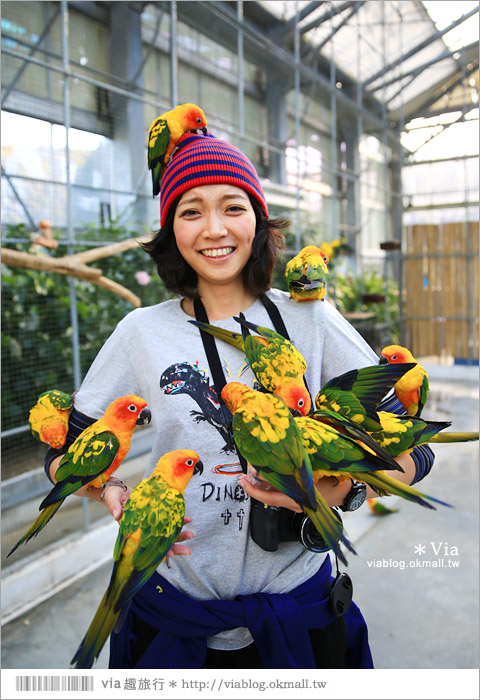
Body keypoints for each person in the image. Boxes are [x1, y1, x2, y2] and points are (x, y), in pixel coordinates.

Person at [45, 130, 434, 669]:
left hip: (299, 611)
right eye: (190, 211)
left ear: (258, 218)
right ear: (170, 229)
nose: (213, 229)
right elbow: (59, 453)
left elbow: (414, 449)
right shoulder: (141, 333)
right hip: (174, 615)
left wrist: (335, 490)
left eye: (232, 206)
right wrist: (105, 485)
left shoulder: (310, 318)